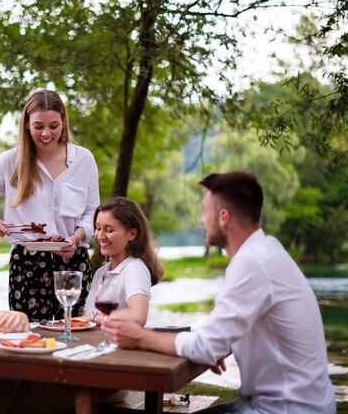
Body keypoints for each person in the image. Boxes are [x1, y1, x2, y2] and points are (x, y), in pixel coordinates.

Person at [103, 171, 336, 414]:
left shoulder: (252, 262)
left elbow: (205, 346)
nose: (201, 220)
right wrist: (220, 342)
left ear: (224, 216)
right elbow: (218, 328)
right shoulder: (265, 250)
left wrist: (140, 337)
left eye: (204, 210)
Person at [0, 196, 164, 414]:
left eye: (109, 230)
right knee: (6, 374)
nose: (100, 236)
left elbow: (137, 316)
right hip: (88, 365)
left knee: (8, 393)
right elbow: (86, 316)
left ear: (132, 234)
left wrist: (95, 318)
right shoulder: (103, 272)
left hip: (111, 377)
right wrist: (59, 324)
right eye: (98, 228)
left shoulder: (135, 268)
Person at [0, 89, 100, 321]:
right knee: (28, 333)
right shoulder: (9, 161)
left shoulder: (84, 160)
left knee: (75, 330)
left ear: (64, 122)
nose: (46, 133)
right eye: (39, 126)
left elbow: (92, 213)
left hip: (72, 260)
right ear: (27, 124)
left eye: (53, 126)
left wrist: (77, 237)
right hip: (26, 263)